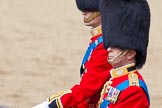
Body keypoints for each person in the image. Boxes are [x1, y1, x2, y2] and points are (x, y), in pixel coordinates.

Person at [33, 0, 112, 108]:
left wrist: (52, 105)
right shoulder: (98, 42)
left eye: (90, 8)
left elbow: (88, 89)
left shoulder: (104, 46)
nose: (84, 12)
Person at [98, 0, 151, 107]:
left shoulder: (133, 90)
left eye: (115, 46)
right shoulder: (115, 80)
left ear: (130, 53)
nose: (109, 49)